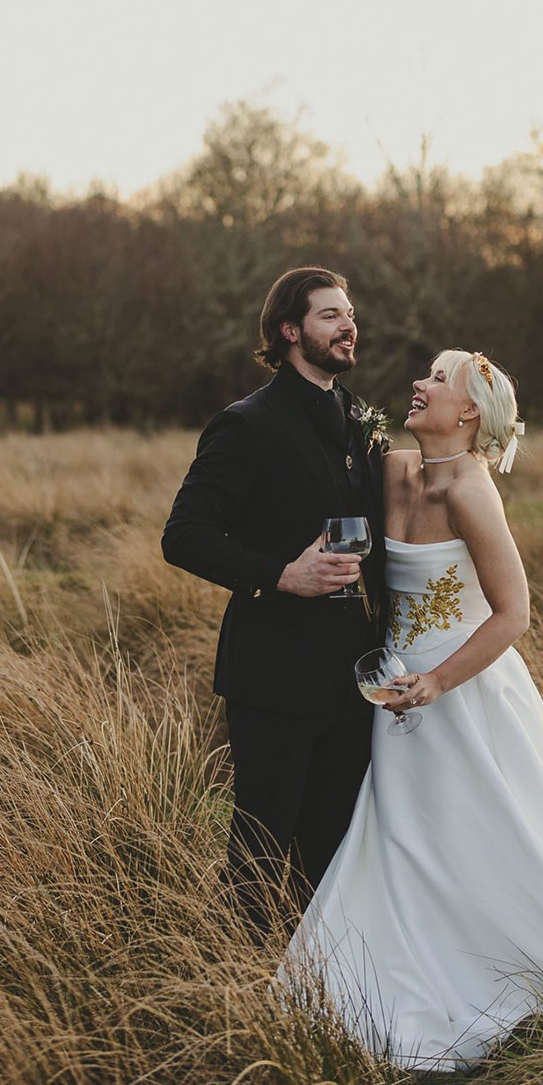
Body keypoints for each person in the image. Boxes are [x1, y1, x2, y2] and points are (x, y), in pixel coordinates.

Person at [280, 348, 543, 1069]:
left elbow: (514, 613)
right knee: (402, 836)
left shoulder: (471, 491)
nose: (420, 383)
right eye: (427, 374)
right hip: (394, 690)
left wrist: (438, 681)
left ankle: (513, 963)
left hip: (464, 691)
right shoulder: (392, 469)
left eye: (437, 379)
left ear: (467, 411)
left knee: (487, 836)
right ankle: (388, 972)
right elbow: (326, 463)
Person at [162, 266, 386, 933]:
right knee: (260, 852)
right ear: (289, 331)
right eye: (329, 316)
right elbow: (184, 536)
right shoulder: (246, 425)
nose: (348, 325)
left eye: (350, 314)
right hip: (274, 678)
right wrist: (279, 575)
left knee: (335, 849)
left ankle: (320, 993)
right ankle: (234, 991)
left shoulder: (363, 424)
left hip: (356, 678)